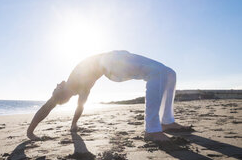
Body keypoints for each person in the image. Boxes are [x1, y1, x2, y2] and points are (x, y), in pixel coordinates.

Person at [27, 50, 185, 141]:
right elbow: (47, 107)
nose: (57, 84)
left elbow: (79, 109)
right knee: (157, 72)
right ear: (60, 93)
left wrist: (73, 125)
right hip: (112, 62)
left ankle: (167, 121)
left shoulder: (81, 90)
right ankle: (152, 129)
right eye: (55, 88)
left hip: (113, 62)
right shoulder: (74, 83)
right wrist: (30, 132)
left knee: (169, 73)